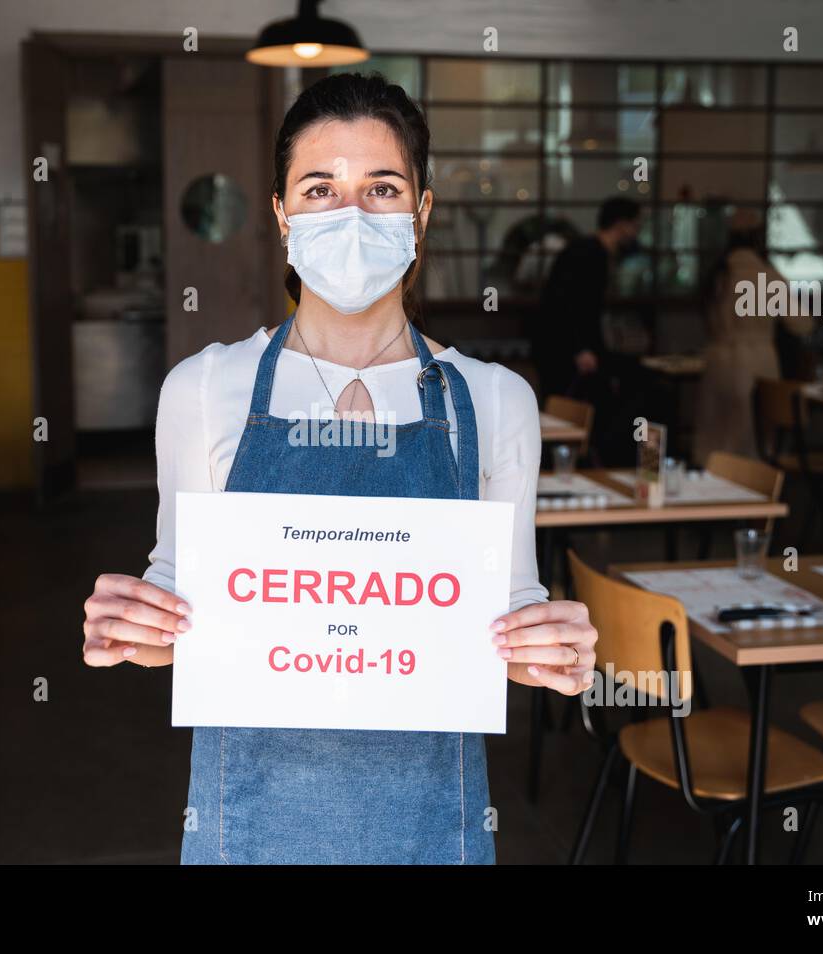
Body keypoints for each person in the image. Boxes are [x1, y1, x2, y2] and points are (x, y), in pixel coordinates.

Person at [80, 72, 598, 865]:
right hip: (245, 824)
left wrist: (555, 652)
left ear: (420, 213)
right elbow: (182, 617)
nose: (350, 214)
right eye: (320, 188)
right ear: (283, 214)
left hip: (433, 826)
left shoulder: (495, 402)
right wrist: (131, 628)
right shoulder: (206, 389)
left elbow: (509, 618)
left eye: (381, 187)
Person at [692, 209, 814, 465]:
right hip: (756, 362)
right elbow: (801, 323)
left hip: (716, 361)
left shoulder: (717, 275)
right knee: (748, 445)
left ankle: (705, 498)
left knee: (713, 440)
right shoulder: (768, 277)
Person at [532, 196, 643, 401]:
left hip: (566, 345)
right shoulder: (589, 254)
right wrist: (580, 349)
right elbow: (567, 304)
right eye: (635, 225)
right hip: (562, 348)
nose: (637, 232)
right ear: (621, 225)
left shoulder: (590, 250)